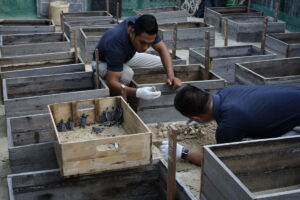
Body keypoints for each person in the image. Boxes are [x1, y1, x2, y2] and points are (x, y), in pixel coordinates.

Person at [160, 84, 300, 166]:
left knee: (276, 157)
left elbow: (219, 164)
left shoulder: (228, 126)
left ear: (197, 118)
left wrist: (184, 153)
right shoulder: (227, 91)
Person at [92, 14, 181, 100]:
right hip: (103, 62)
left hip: (126, 57)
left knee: (161, 63)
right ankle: (116, 100)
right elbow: (112, 83)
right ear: (132, 32)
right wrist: (138, 92)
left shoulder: (144, 26)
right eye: (142, 42)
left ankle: (128, 84)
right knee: (126, 74)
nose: (146, 48)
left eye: (150, 43)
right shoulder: (116, 42)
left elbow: (162, 49)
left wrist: (171, 76)